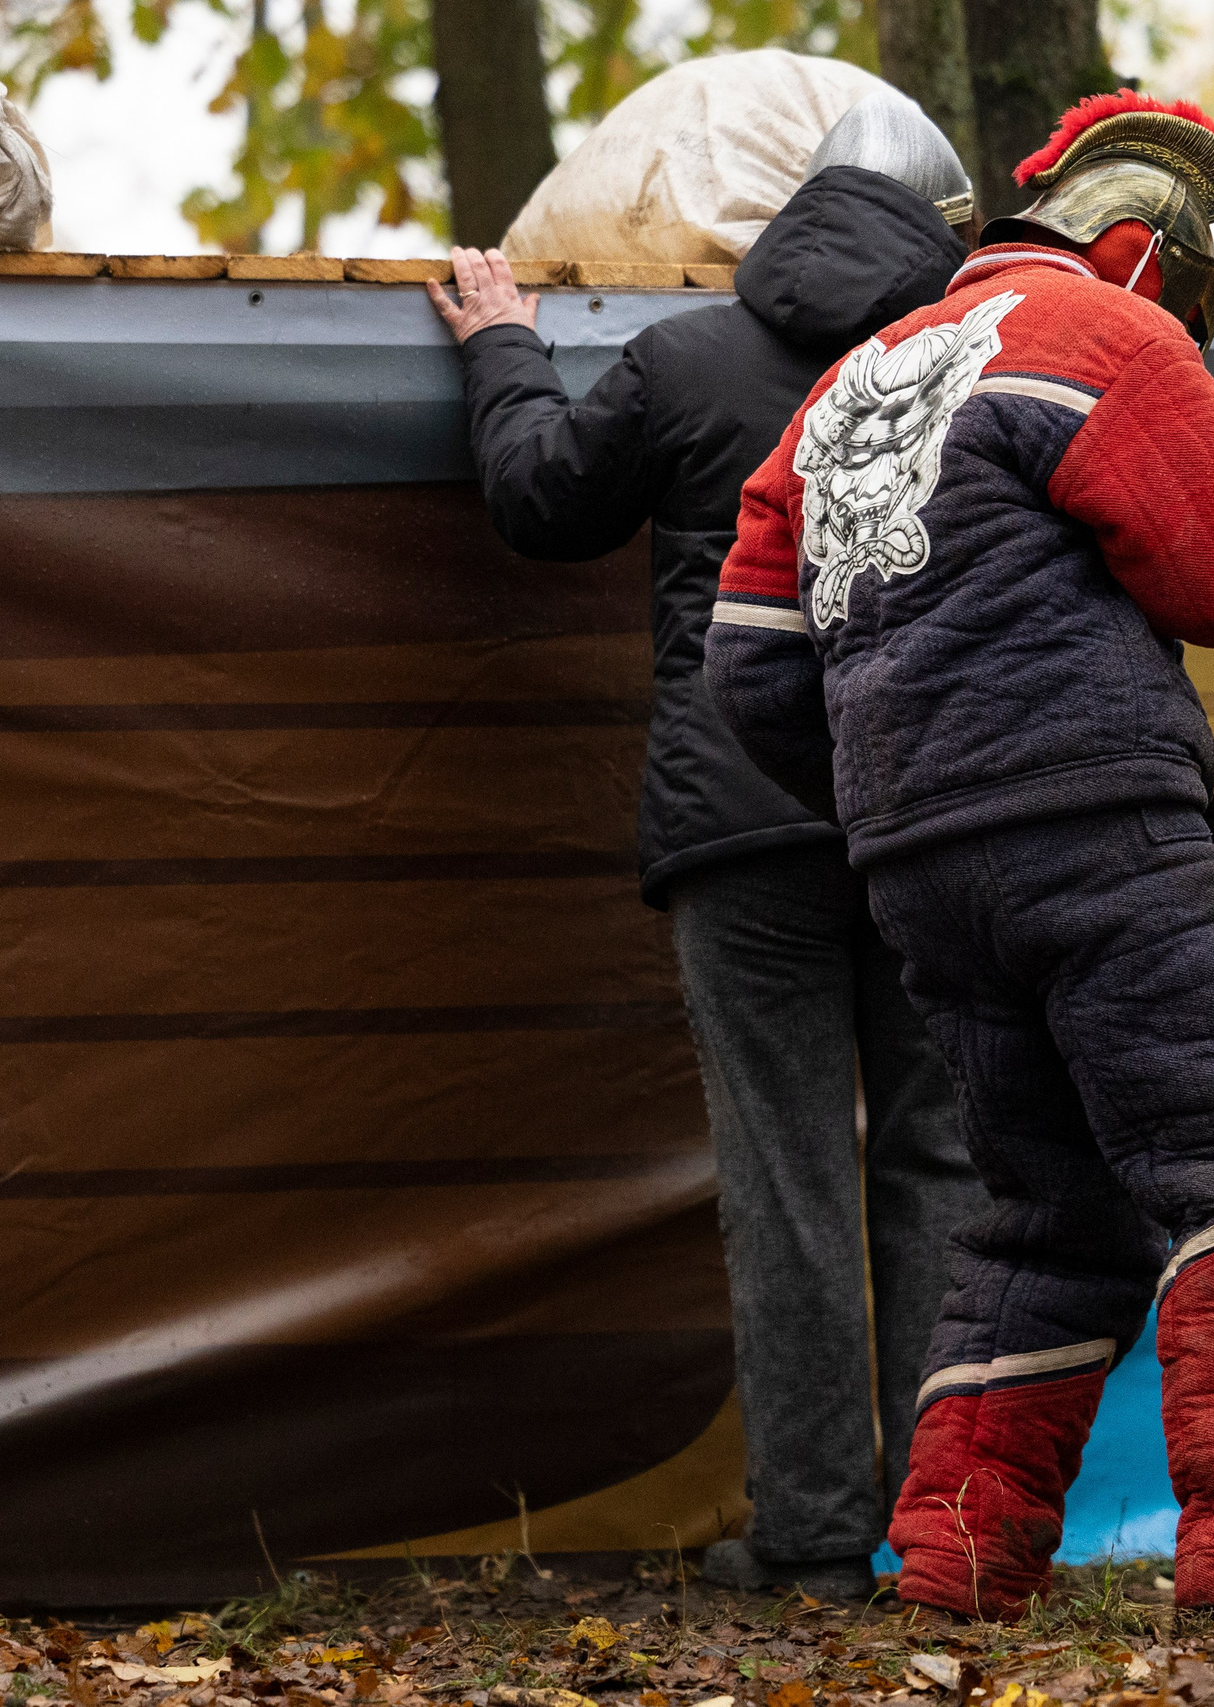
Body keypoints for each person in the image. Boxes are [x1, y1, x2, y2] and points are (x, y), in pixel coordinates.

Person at [704, 91, 1214, 1630]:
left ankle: (959, 1560)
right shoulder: (1104, 339)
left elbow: (752, 664)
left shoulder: (841, 392)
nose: (1196, 315)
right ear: (1145, 244)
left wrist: (893, 794)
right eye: (1197, 284)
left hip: (920, 866)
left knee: (1048, 1216)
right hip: (1096, 823)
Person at [425, 91, 990, 1603]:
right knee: (941, 1162)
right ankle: (956, 1533)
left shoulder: (684, 359)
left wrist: (502, 345)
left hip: (741, 823)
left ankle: (810, 1535)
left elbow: (542, 501)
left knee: (790, 1173)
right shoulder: (961, 381)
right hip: (925, 817)